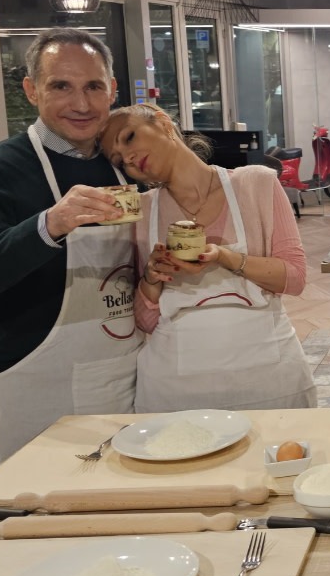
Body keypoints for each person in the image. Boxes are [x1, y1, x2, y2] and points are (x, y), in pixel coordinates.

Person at [99, 104, 315, 412]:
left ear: (162, 123)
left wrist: (225, 257)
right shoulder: (139, 211)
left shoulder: (256, 183)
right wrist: (151, 278)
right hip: (176, 391)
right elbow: (146, 322)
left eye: (130, 137)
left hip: (269, 381)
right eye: (119, 160)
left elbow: (294, 278)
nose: (129, 158)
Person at [0, 29, 137, 464]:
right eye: (61, 86)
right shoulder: (1, 169)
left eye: (93, 86)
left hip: (126, 372)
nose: (81, 104)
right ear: (31, 90)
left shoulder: (128, 164)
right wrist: (51, 223)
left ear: (112, 90)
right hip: (34, 378)